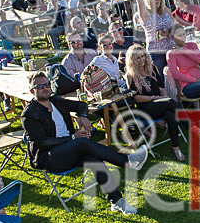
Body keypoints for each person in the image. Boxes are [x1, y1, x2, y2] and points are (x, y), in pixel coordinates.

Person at [21, 72, 147, 214]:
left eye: (47, 84)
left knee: (95, 160)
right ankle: (127, 161)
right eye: (40, 86)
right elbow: (42, 142)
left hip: (70, 149)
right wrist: (73, 138)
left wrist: (83, 117)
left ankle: (116, 201)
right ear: (32, 91)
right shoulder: (29, 114)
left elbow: (81, 105)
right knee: (82, 143)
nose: (45, 88)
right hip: (49, 158)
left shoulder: (56, 101)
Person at [124, 46, 185, 161]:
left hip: (160, 103)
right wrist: (154, 98)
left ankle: (176, 148)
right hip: (146, 108)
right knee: (170, 102)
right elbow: (136, 98)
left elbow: (162, 88)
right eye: (138, 58)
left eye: (143, 56)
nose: (141, 60)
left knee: (170, 115)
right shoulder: (130, 75)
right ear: (132, 60)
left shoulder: (152, 68)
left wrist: (163, 98)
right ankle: (192, 126)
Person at [131, 0, 174, 79]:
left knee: (176, 79)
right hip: (157, 53)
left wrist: (170, 32)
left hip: (172, 50)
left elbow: (175, 27)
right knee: (162, 80)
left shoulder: (166, 10)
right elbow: (140, 2)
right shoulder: (146, 13)